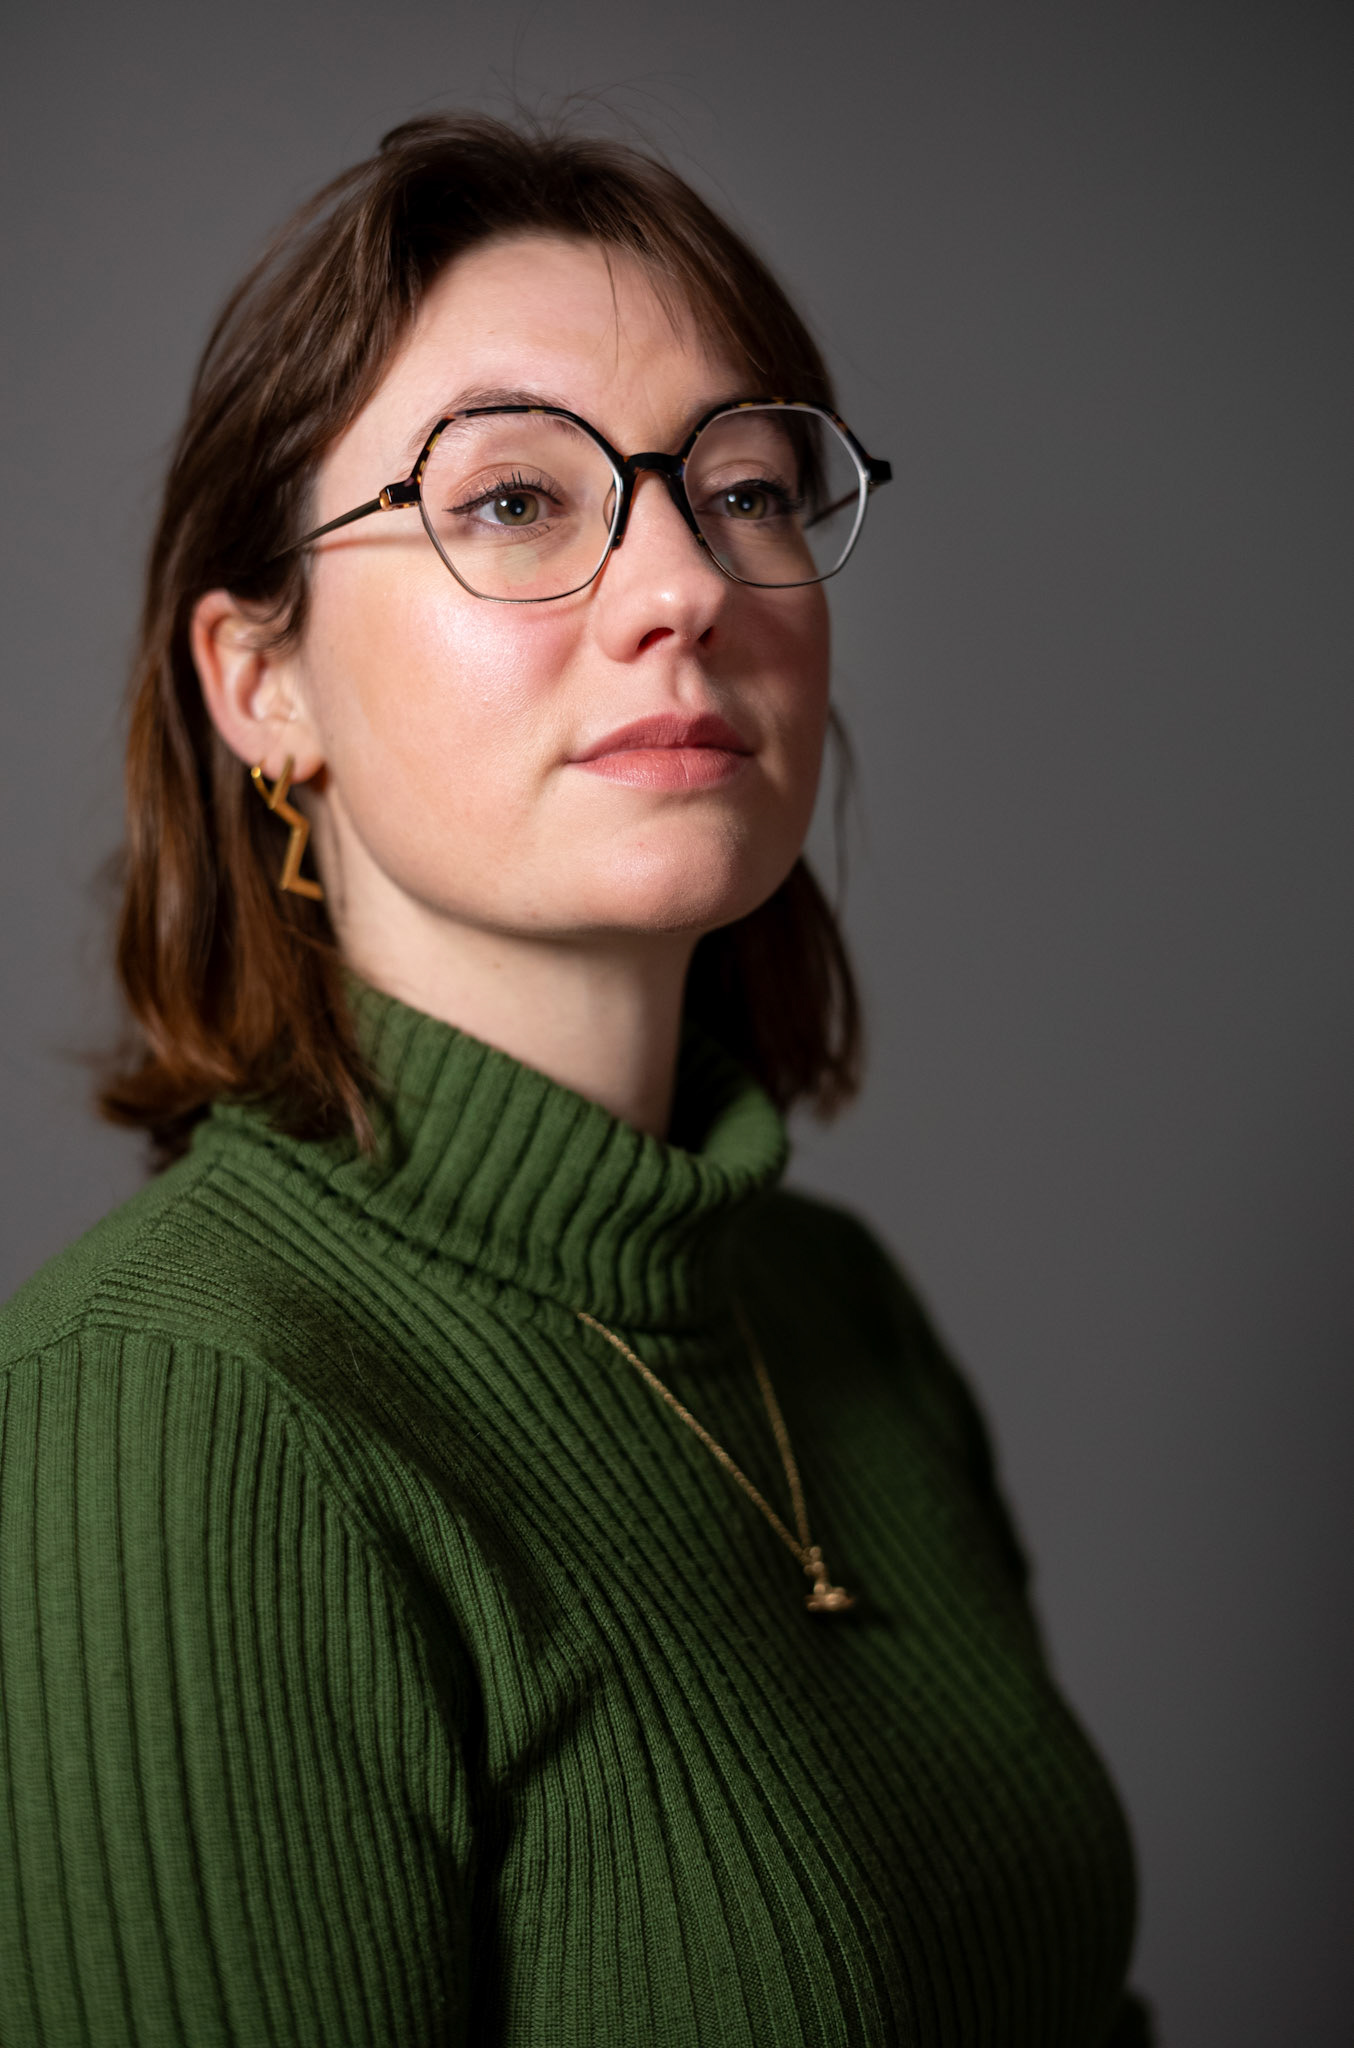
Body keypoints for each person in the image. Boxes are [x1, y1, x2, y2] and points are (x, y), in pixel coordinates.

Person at [0, 116, 1152, 2046]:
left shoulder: (836, 1314)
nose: (683, 584)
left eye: (745, 487)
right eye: (518, 499)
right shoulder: (172, 1414)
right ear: (262, 681)